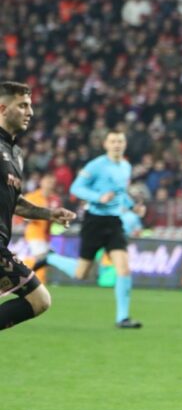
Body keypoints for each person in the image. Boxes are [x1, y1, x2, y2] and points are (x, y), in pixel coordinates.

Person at [33, 130, 144, 328]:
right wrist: (98, 197)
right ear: (106, 145)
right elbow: (76, 188)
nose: (117, 145)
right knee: (81, 273)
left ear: (125, 144)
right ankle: (50, 258)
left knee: (124, 268)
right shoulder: (96, 165)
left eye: (120, 141)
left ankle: (123, 318)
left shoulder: (126, 166)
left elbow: (121, 193)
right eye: (113, 141)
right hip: (95, 222)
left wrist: (132, 206)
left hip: (115, 222)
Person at [0, 81, 76, 330]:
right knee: (39, 299)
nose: (30, 112)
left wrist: (49, 213)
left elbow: (14, 202)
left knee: (39, 300)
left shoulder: (16, 154)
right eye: (22, 106)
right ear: (2, 108)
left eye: (30, 106)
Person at [21, 173, 59, 282]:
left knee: (41, 259)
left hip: (47, 235)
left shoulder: (55, 199)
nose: (50, 185)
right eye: (48, 182)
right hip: (35, 233)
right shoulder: (32, 197)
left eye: (52, 183)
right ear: (41, 182)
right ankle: (38, 282)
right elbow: (24, 215)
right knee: (41, 258)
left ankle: (29, 279)